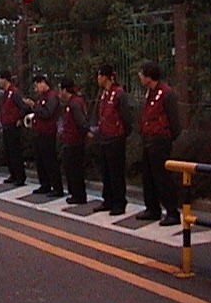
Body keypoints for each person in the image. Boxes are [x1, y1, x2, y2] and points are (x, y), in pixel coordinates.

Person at [136, 61, 182, 226]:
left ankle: (172, 211)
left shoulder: (166, 93)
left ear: (149, 76)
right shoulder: (148, 92)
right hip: (148, 139)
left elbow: (174, 120)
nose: (140, 78)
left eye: (142, 74)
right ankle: (152, 208)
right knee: (148, 177)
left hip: (160, 140)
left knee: (162, 177)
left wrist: (170, 137)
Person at [90, 64, 132, 216]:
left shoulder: (119, 94)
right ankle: (107, 199)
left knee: (116, 172)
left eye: (100, 76)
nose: (98, 79)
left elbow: (126, 117)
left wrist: (122, 133)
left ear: (106, 77)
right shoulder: (103, 94)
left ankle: (119, 202)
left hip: (115, 138)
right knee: (106, 171)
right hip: (104, 137)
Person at [24, 74, 63, 197]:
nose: (36, 88)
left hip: (47, 133)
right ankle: (45, 184)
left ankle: (57, 187)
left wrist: (34, 106)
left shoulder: (51, 97)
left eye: (37, 85)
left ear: (43, 83)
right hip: (38, 132)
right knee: (40, 160)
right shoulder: (41, 97)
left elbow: (47, 113)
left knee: (49, 160)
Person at [59, 78, 89, 204]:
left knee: (74, 169)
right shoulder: (74, 102)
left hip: (74, 141)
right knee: (72, 169)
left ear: (65, 90)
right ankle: (76, 194)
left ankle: (78, 195)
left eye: (61, 90)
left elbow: (81, 122)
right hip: (72, 140)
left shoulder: (74, 103)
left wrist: (84, 133)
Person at [0, 70, 28, 186]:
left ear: (5, 79)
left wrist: (19, 119)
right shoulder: (5, 93)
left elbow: (23, 107)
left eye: (0, 79)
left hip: (13, 126)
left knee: (15, 152)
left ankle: (20, 176)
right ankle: (13, 174)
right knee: (9, 151)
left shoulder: (14, 92)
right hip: (6, 125)